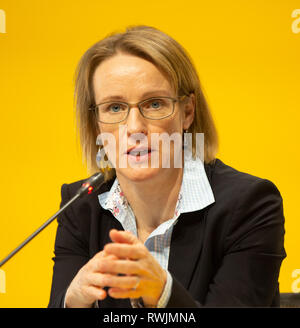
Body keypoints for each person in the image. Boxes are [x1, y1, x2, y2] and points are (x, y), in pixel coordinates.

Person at [48, 25, 286, 308]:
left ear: (187, 112)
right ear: (95, 123)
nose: (134, 127)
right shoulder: (80, 206)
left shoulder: (249, 205)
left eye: (154, 104)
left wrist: (164, 293)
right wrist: (72, 302)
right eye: (114, 107)